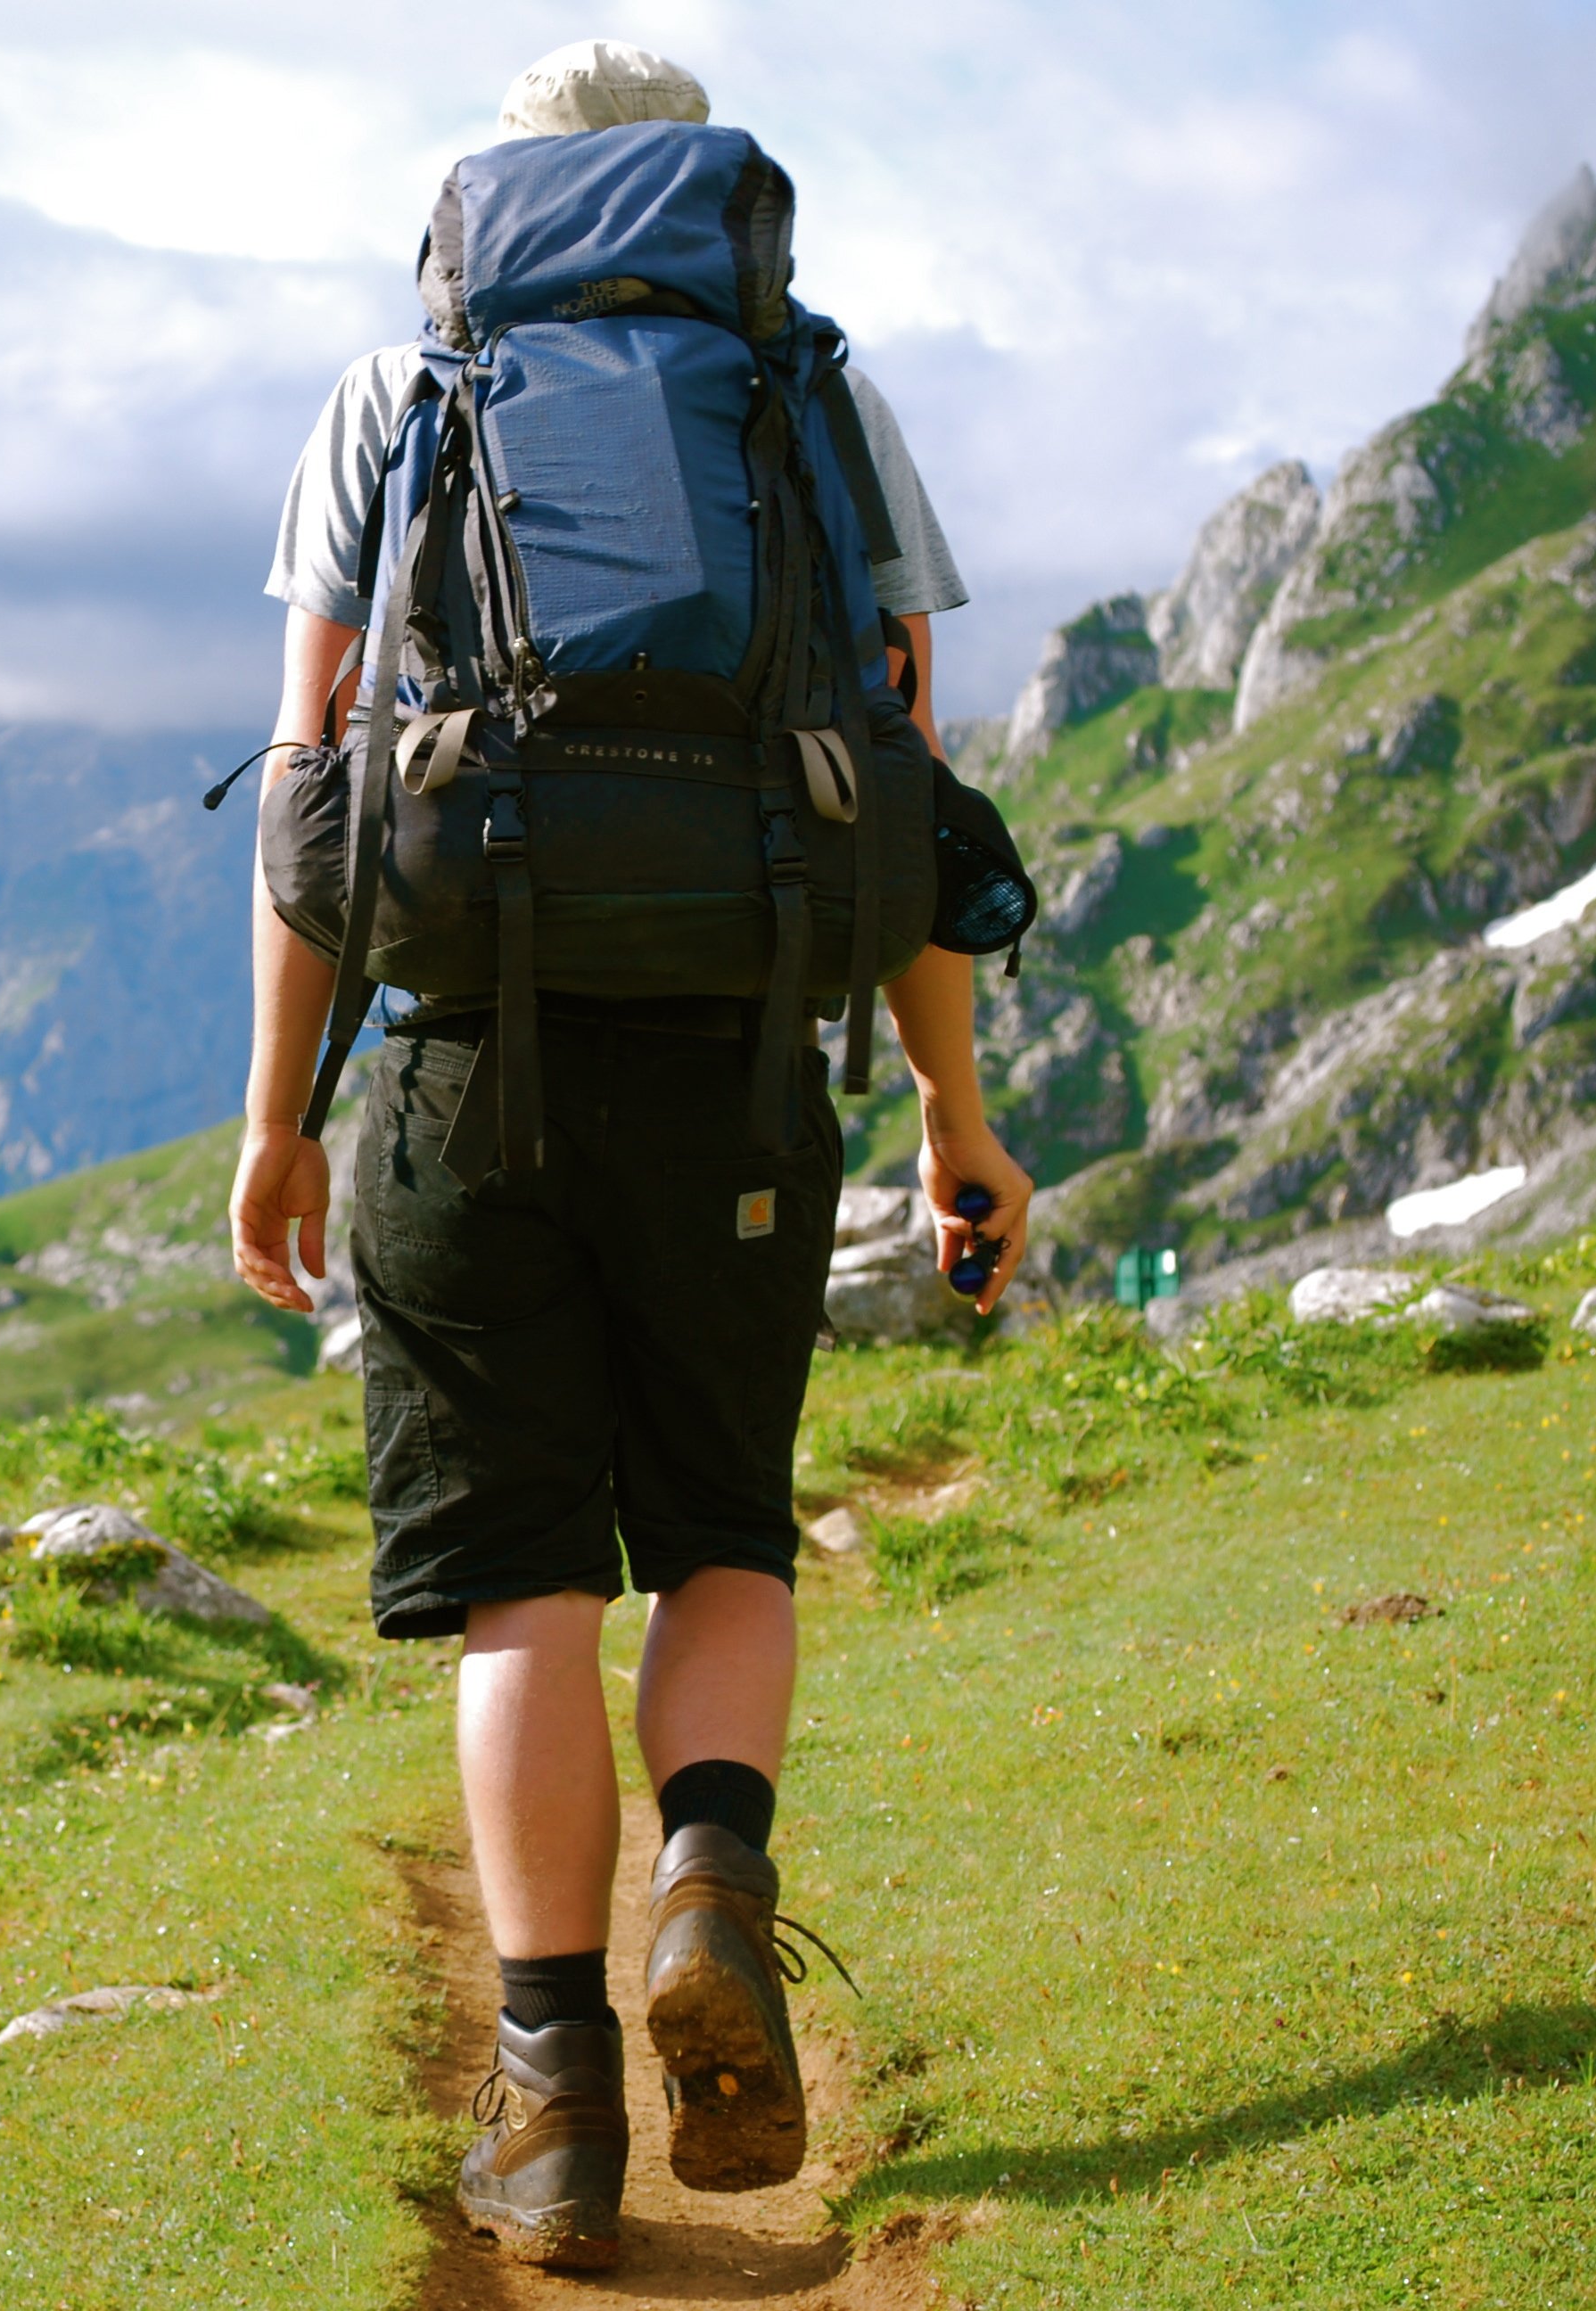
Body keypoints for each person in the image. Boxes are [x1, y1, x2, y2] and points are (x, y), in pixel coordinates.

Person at [229, 38, 1033, 2269]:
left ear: (495, 194)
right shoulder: (813, 402)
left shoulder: (401, 402)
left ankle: (555, 2095)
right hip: (742, 1066)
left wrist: (282, 1123)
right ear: (698, 189)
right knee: (719, 1541)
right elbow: (895, 796)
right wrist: (952, 1118)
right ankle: (713, 1875)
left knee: (520, 1595)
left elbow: (311, 808)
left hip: (470, 1070)